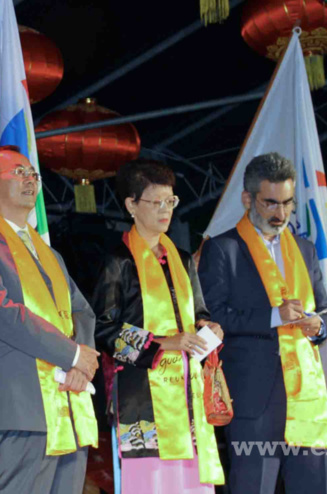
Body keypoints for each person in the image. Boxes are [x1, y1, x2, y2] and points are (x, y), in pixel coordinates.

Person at [0, 146, 99, 494]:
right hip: (20, 405)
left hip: (69, 397)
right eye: (18, 172)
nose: (30, 179)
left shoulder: (48, 251)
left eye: (33, 173)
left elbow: (82, 310)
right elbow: (0, 313)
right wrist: (73, 355)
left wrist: (83, 361)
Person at [198, 152, 327, 493]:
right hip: (254, 396)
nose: (281, 213)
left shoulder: (303, 249)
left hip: (306, 394)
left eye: (288, 203)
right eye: (271, 203)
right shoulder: (222, 249)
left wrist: (319, 327)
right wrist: (275, 317)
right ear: (248, 199)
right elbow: (213, 318)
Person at [91, 159, 226, 493]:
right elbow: (103, 330)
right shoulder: (117, 261)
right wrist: (164, 342)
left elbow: (199, 313)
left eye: (171, 201)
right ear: (132, 205)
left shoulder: (180, 259)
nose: (166, 210)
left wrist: (210, 328)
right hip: (142, 399)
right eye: (156, 202)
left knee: (193, 484)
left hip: (189, 394)